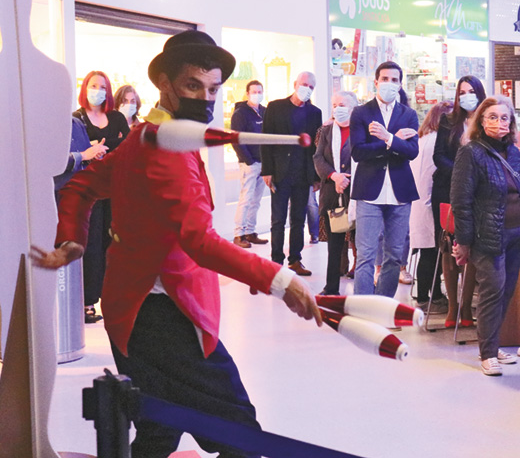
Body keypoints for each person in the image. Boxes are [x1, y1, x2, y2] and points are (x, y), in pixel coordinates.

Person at [31, 30, 321, 458]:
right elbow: (199, 241)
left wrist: (73, 238)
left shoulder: (145, 136)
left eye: (213, 89)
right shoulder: (161, 148)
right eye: (192, 85)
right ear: (164, 83)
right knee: (239, 434)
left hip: (133, 311)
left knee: (159, 428)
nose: (205, 99)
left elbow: (82, 187)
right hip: (165, 316)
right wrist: (280, 279)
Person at [451, 95, 520, 376]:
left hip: (517, 233)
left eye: (504, 117)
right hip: (487, 234)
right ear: (481, 121)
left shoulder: (514, 152)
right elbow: (461, 201)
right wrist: (464, 242)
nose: (499, 122)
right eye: (493, 117)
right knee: (492, 291)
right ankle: (487, 353)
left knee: (506, 291)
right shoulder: (471, 152)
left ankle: (493, 346)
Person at [350, 61, 419, 297]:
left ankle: (383, 304)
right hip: (369, 191)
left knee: (395, 255)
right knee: (366, 254)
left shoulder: (408, 114)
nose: (389, 84)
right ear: (376, 82)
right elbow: (358, 152)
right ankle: (362, 306)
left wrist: (388, 138)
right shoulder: (361, 112)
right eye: (385, 79)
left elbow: (412, 152)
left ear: (400, 84)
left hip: (400, 192)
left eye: (394, 80)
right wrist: (393, 142)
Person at [73, 71, 130, 323]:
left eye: (103, 87)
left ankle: (113, 298)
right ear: (85, 88)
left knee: (114, 243)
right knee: (91, 244)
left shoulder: (116, 117)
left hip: (116, 188)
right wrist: (95, 149)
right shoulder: (77, 119)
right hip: (90, 190)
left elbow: (128, 145)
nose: (98, 90)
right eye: (94, 85)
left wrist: (102, 147)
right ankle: (88, 301)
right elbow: (79, 152)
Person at [433, 75, 487, 327]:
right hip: (447, 189)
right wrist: (460, 172)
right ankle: (452, 306)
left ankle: (466, 306)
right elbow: (438, 155)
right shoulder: (448, 121)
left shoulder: (487, 120)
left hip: (478, 192)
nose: (466, 96)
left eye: (471, 91)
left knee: (471, 246)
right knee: (448, 247)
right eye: (462, 92)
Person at [261, 71, 323, 276]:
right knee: (278, 219)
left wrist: (316, 177)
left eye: (311, 87)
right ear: (295, 84)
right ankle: (276, 262)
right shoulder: (275, 107)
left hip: (303, 174)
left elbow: (317, 147)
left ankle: (295, 260)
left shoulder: (315, 113)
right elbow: (266, 140)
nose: (307, 89)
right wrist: (267, 170)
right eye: (304, 84)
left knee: (299, 219)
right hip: (280, 172)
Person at [409, 100, 453, 312]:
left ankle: (430, 295)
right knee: (431, 254)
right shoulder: (437, 142)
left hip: (419, 203)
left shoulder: (423, 139)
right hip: (429, 203)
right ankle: (427, 298)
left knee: (429, 253)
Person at [314, 91, 358, 296]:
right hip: (334, 194)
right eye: (334, 105)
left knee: (362, 244)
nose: (337, 109)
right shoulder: (327, 131)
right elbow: (318, 158)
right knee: (335, 245)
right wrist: (334, 176)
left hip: (358, 194)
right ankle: (331, 287)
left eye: (342, 105)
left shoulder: (362, 129)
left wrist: (347, 178)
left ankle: (364, 288)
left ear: (353, 108)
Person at [231, 80, 269, 249]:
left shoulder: (264, 112)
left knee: (256, 200)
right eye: (254, 92)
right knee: (245, 199)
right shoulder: (240, 113)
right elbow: (236, 139)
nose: (257, 94)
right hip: (249, 164)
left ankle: (250, 232)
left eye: (259, 91)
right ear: (247, 93)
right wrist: (249, 160)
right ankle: (238, 234)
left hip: (263, 163)